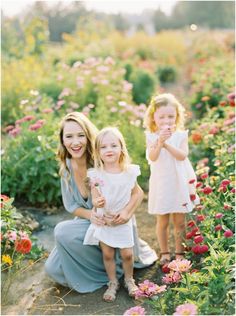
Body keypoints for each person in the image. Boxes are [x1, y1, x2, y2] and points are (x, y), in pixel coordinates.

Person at [45, 112, 157, 294]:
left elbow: (133, 190)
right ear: (62, 140)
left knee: (62, 231)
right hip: (92, 219)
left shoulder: (102, 157)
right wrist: (92, 216)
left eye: (81, 135)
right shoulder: (66, 167)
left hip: (116, 217)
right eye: (69, 136)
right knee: (53, 269)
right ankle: (106, 263)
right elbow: (72, 207)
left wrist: (126, 212)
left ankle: (118, 266)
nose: (75, 142)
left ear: (89, 137)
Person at [83, 127, 140, 302]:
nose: (109, 150)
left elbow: (137, 193)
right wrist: (97, 202)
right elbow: (95, 197)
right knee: (107, 253)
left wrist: (127, 211)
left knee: (127, 254)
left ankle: (129, 279)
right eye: (104, 147)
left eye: (113, 145)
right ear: (97, 152)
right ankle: (112, 282)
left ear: (121, 148)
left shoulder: (128, 172)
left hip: (121, 219)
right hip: (105, 220)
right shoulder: (96, 175)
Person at [144, 93, 199, 266]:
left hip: (178, 182)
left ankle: (179, 253)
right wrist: (159, 142)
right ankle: (165, 252)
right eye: (162, 117)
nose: (166, 120)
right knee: (162, 221)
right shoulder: (151, 136)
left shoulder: (181, 135)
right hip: (162, 183)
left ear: (177, 116)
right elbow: (152, 157)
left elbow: (182, 156)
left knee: (180, 222)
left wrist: (167, 144)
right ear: (154, 117)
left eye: (170, 116)